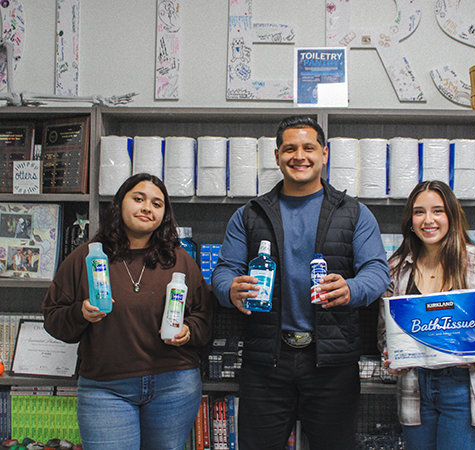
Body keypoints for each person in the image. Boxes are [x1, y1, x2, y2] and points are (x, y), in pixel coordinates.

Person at [211, 115, 390, 450]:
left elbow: (378, 272)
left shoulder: (354, 213)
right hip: (266, 360)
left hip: (331, 363)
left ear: (324, 153)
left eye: (309, 148)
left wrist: (352, 288)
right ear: (277, 156)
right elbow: (223, 271)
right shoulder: (249, 215)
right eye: (289, 149)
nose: (299, 156)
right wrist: (229, 288)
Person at [42, 173, 212, 450]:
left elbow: (203, 318)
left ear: (164, 216)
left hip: (174, 385)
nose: (147, 207)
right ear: (119, 204)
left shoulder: (180, 259)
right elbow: (53, 318)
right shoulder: (86, 257)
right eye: (138, 199)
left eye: (157, 204)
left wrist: (187, 331)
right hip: (105, 388)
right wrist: (80, 314)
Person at [377, 180, 475, 450]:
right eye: (419, 212)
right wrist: (390, 358)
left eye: (437, 211)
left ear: (451, 215)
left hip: (467, 389)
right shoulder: (397, 269)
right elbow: (386, 334)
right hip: (415, 389)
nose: (428, 220)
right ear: (410, 219)